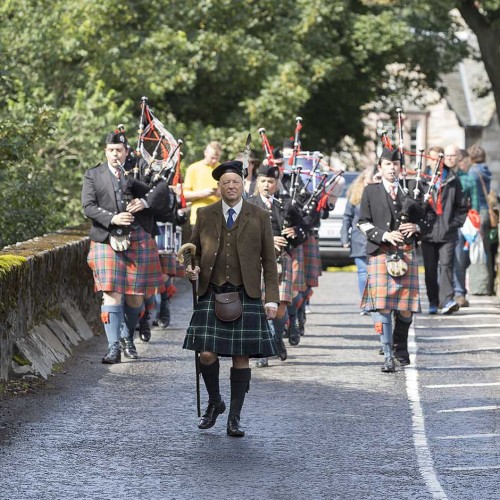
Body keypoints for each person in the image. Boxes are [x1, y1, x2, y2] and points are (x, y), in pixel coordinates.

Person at [183, 160, 279, 437]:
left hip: (245, 292)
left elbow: (269, 262)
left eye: (235, 181)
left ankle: (234, 418)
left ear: (243, 185)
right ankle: (215, 401)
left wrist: (271, 298)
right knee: (206, 353)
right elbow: (193, 251)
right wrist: (192, 267)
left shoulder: (259, 216)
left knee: (241, 356)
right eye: (226, 183)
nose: (231, 186)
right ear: (219, 187)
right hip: (211, 292)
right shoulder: (204, 214)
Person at [82, 130, 170, 363]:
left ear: (126, 152)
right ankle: (113, 348)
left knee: (135, 298)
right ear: (105, 151)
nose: (115, 154)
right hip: (106, 238)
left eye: (119, 150)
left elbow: (162, 188)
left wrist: (143, 201)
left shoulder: (139, 169)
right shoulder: (94, 175)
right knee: (111, 294)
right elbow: (88, 206)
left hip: (139, 237)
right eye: (111, 150)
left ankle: (127, 336)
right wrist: (113, 218)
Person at [358, 148, 435, 371]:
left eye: (396, 165)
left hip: (406, 251)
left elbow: (431, 216)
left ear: (400, 167)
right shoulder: (370, 191)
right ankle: (388, 355)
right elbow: (363, 222)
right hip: (382, 251)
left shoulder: (413, 188)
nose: (392, 168)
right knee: (382, 306)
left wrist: (417, 226)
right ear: (380, 167)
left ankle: (400, 345)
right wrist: (384, 234)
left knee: (405, 308)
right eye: (388, 164)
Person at [248, 162, 306, 367]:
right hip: (257, 261)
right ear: (257, 182)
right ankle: (263, 350)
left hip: (282, 260)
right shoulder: (249, 203)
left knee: (280, 307)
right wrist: (268, 240)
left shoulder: (286, 204)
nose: (266, 185)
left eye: (270, 181)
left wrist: (295, 233)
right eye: (263, 181)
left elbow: (303, 230)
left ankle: (276, 338)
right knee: (262, 305)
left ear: (276, 183)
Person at [421, 144, 468, 314]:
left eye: (438, 159)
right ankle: (433, 301)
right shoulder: (422, 179)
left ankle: (446, 300)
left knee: (447, 266)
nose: (436, 162)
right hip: (428, 233)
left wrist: (454, 223)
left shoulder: (452, 179)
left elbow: (462, 206)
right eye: (433, 159)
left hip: (448, 232)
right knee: (430, 270)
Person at [341, 167, 375, 314]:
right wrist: (344, 237)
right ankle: (365, 303)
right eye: (370, 178)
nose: (372, 181)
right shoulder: (355, 196)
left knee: (374, 273)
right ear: (363, 180)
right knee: (362, 272)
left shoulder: (380, 194)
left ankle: (375, 300)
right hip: (358, 238)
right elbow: (347, 217)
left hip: (377, 238)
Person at [467, 144, 496, 295]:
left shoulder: (473, 171)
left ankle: (480, 287)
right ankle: (488, 284)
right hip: (487, 212)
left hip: (477, 212)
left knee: (477, 249)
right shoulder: (485, 170)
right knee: (486, 249)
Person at [453, 148, 478, 307]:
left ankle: (457, 292)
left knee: (457, 260)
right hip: (457, 223)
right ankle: (456, 292)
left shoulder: (468, 179)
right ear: (461, 161)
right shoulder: (466, 179)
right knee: (456, 259)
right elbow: (475, 205)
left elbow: (475, 204)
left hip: (458, 224)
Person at [183, 141, 222, 226]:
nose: (214, 161)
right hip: (198, 218)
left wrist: (221, 194)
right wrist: (202, 194)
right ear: (205, 153)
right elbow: (184, 196)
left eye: (217, 158)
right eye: (212, 157)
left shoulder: (222, 169)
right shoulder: (193, 168)